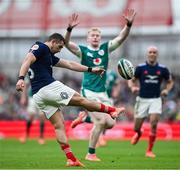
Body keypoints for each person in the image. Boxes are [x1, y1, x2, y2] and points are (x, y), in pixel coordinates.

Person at [16, 33, 125, 167]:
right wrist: (21, 78)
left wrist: (90, 69)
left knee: (59, 125)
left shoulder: (47, 56)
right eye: (60, 46)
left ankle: (71, 159)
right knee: (81, 100)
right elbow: (27, 59)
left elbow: (69, 64)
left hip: (38, 95)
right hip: (47, 87)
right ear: (54, 41)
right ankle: (112, 110)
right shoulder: (41, 47)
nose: (60, 49)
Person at [65, 10, 136, 161]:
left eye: (98, 35)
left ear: (100, 38)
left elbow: (121, 38)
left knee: (110, 123)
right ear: (88, 38)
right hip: (88, 92)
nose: (96, 37)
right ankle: (91, 153)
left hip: (102, 93)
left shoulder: (105, 49)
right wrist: (69, 30)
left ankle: (84, 118)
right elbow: (66, 44)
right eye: (93, 35)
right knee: (101, 121)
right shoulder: (83, 51)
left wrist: (128, 25)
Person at [128, 46, 174, 158]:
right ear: (147, 54)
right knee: (136, 128)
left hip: (156, 99)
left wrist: (166, 90)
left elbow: (170, 81)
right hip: (142, 99)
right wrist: (132, 87)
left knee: (153, 123)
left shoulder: (163, 69)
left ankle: (149, 151)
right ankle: (139, 133)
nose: (152, 54)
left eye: (154, 52)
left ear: (157, 54)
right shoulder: (140, 68)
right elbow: (131, 79)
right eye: (150, 52)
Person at [19, 79, 45, 145]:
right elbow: (25, 85)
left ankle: (41, 137)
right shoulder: (30, 71)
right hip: (32, 97)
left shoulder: (44, 71)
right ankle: (26, 134)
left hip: (42, 97)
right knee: (31, 116)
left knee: (42, 116)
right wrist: (23, 97)